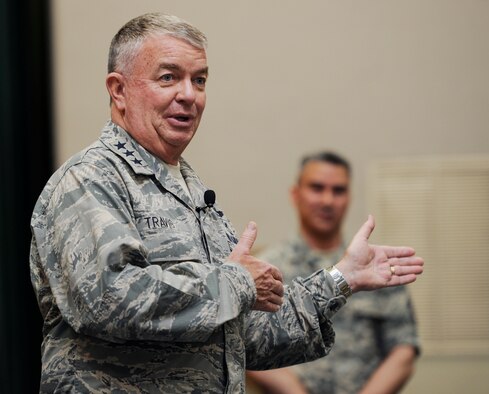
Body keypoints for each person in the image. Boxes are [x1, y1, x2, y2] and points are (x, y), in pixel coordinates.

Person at [29, 13, 423, 393]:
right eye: (169, 77)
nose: (189, 95)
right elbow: (108, 299)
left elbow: (243, 335)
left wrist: (340, 279)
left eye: (199, 80)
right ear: (118, 90)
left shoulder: (192, 195)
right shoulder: (89, 180)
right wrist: (236, 282)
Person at [247, 151, 420, 394]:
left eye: (338, 190)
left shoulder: (375, 268)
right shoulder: (267, 270)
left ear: (349, 198)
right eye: (317, 188)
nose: (328, 200)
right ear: (295, 194)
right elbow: (246, 343)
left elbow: (403, 348)